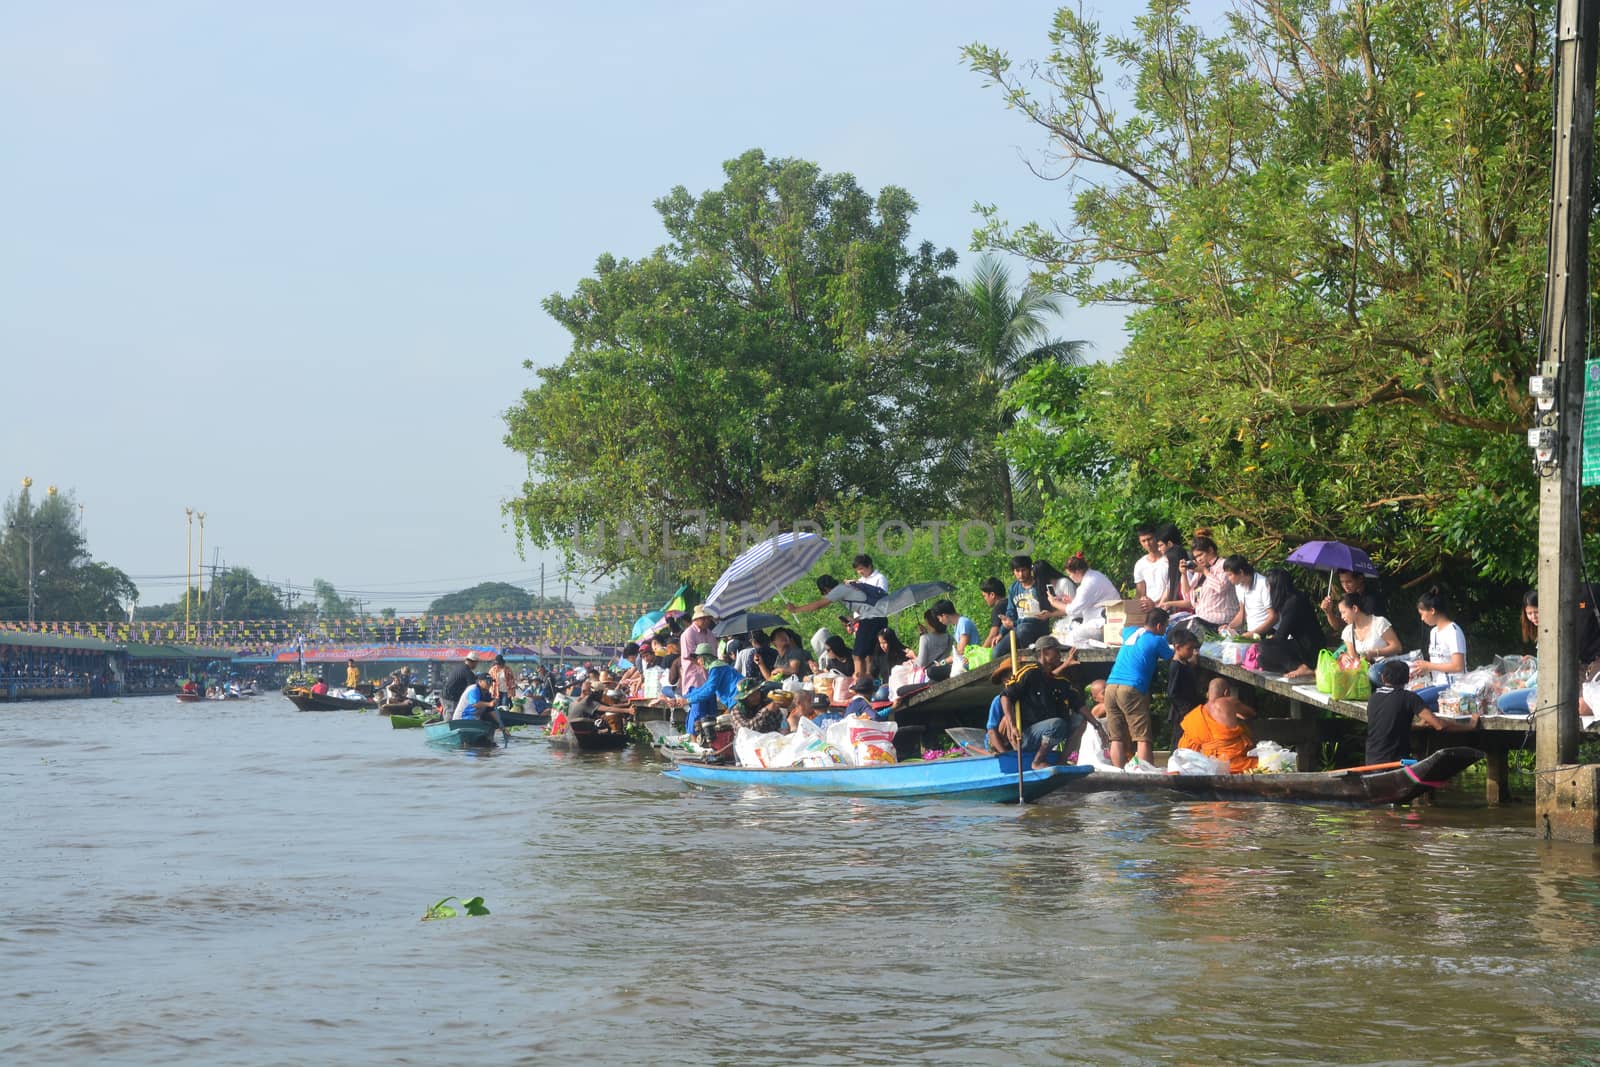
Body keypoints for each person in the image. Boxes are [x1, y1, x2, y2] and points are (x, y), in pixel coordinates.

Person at [991, 636, 1084, 769]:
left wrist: (1065, 664)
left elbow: (1049, 677)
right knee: (1055, 724)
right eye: (1005, 677)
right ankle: (1037, 761)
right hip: (1017, 738)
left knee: (1073, 720)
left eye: (1011, 675)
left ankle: (1061, 761)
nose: (1009, 679)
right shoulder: (1001, 698)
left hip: (1041, 732)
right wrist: (1005, 750)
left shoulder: (1038, 678)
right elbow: (992, 731)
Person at [1101, 606, 1175, 767]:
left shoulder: (1131, 632)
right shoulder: (1158, 640)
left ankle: (1119, 773)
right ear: (1159, 626)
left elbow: (1122, 630)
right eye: (1165, 627)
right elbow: (1174, 656)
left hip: (1111, 686)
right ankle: (1145, 774)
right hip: (1131, 688)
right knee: (1142, 737)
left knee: (1116, 737)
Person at [1367, 659, 1479, 763]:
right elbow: (1439, 726)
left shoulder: (1373, 698)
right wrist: (1470, 726)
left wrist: (1418, 725)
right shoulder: (1409, 697)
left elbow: (1387, 725)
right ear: (1408, 679)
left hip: (1371, 761)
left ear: (1382, 678)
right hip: (1397, 762)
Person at [793, 575, 890, 681]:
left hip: (871, 619)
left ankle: (858, 680)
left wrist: (795, 609)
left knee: (857, 655)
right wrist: (856, 620)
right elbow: (867, 606)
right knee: (868, 654)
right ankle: (869, 680)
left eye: (824, 593)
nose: (826, 595)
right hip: (878, 618)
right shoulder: (847, 587)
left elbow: (818, 605)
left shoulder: (839, 589)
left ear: (825, 589)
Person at [1254, 569, 1324, 679]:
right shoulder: (1291, 599)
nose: (1267, 590)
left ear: (1276, 587)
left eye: (1269, 586)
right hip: (1302, 644)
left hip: (1310, 648)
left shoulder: (1294, 602)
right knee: (1262, 660)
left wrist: (1270, 640)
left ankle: (1303, 667)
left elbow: (1281, 636)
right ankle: (1297, 667)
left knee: (1264, 646)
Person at [1177, 678, 1258, 772]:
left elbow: (1186, 747)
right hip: (1232, 763)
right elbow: (1251, 713)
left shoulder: (1195, 714)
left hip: (1208, 763)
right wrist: (1234, 712)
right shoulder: (1229, 702)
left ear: (1208, 693)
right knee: (1263, 763)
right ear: (1226, 692)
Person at [1410, 588, 1467, 712]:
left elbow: (1458, 666)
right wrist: (1422, 669)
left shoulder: (1453, 631)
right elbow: (1436, 664)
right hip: (1437, 684)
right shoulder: (1434, 632)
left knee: (1413, 701)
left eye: (1422, 614)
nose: (1422, 619)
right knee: (1408, 696)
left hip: (1453, 686)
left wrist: (1429, 666)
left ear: (1432, 611)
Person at [1333, 593, 1407, 685]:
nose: (1342, 617)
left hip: (1388, 667)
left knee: (1374, 672)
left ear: (1355, 609)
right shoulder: (1347, 632)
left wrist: (1375, 653)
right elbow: (1354, 659)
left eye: (1343, 612)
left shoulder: (1379, 623)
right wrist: (1344, 657)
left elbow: (1397, 647)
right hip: (1367, 669)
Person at [1169, 532, 1238, 630]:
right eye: (1196, 557)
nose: (1199, 559)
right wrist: (1183, 574)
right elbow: (1190, 598)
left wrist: (1205, 571)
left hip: (1222, 620)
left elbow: (1221, 587)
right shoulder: (1200, 571)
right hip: (1202, 618)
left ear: (1210, 550)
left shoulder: (1223, 565)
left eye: (1200, 555)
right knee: (1173, 628)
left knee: (1182, 631)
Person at [672, 642, 743, 735]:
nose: (698, 661)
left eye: (698, 658)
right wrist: (683, 698)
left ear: (704, 658)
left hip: (738, 699)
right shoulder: (717, 667)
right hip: (737, 699)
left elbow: (709, 691)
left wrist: (687, 700)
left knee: (739, 731)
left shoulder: (716, 668)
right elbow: (704, 688)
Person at [1050, 553, 1121, 644]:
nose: (1070, 577)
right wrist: (1073, 601)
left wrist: (1054, 603)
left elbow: (1073, 610)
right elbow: (1088, 603)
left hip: (1105, 622)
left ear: (1077, 572)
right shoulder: (1095, 575)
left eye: (1070, 574)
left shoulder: (1088, 584)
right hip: (1105, 619)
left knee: (1073, 637)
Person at [1000, 556, 1060, 648]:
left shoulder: (1039, 585)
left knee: (1022, 629)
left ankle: (1030, 654)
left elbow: (1044, 613)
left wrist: (1015, 624)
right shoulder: (1013, 588)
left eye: (1023, 570)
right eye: (1017, 571)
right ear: (1014, 572)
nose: (1021, 574)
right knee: (997, 652)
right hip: (1017, 627)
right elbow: (1010, 611)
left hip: (1038, 627)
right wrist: (1002, 631)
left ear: (1030, 569)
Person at [1222, 555, 1276, 638]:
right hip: (1252, 633)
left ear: (1241, 572)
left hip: (1269, 633)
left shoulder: (1263, 583)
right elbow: (1242, 614)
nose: (1228, 579)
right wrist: (1229, 627)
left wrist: (1253, 633)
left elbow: (1274, 616)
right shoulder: (1238, 586)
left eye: (1230, 575)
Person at [1165, 627, 1204, 743]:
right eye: (1189, 648)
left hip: (1190, 708)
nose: (1192, 652)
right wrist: (1184, 708)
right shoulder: (1176, 666)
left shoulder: (1185, 663)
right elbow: (1172, 692)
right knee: (1180, 738)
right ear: (1177, 647)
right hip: (1182, 712)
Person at [1320, 569, 1388, 633]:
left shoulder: (1372, 598)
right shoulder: (1347, 598)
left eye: (1349, 582)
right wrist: (1328, 612)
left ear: (1360, 579)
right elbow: (1339, 626)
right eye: (1342, 582)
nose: (1345, 586)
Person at [452, 671, 507, 740]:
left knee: (492, 722)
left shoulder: (486, 693)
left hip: (474, 720)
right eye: (487, 682)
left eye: (491, 682)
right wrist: (489, 704)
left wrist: (500, 724)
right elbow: (475, 704)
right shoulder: (473, 689)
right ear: (480, 682)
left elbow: (491, 710)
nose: (490, 684)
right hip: (462, 720)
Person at [1132, 525, 1169, 610]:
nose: (1147, 544)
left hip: (1168, 607)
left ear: (1156, 538)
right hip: (1149, 609)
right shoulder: (1140, 564)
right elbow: (1140, 593)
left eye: (1149, 539)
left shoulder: (1168, 560)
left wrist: (1157, 604)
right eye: (1143, 541)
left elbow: (1172, 588)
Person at [679, 606, 717, 683]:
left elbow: (714, 653)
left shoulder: (710, 634)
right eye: (703, 618)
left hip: (710, 675)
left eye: (708, 618)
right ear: (696, 619)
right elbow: (690, 655)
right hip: (695, 677)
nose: (707, 621)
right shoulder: (689, 633)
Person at [915, 607, 954, 682]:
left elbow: (921, 663)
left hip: (931, 675)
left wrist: (913, 657)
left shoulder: (924, 638)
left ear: (930, 623)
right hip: (945, 671)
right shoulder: (949, 637)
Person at [979, 578, 1008, 648]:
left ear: (992, 595)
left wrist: (981, 650)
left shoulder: (997, 608)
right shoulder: (1009, 602)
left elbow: (993, 634)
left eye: (984, 596)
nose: (984, 599)